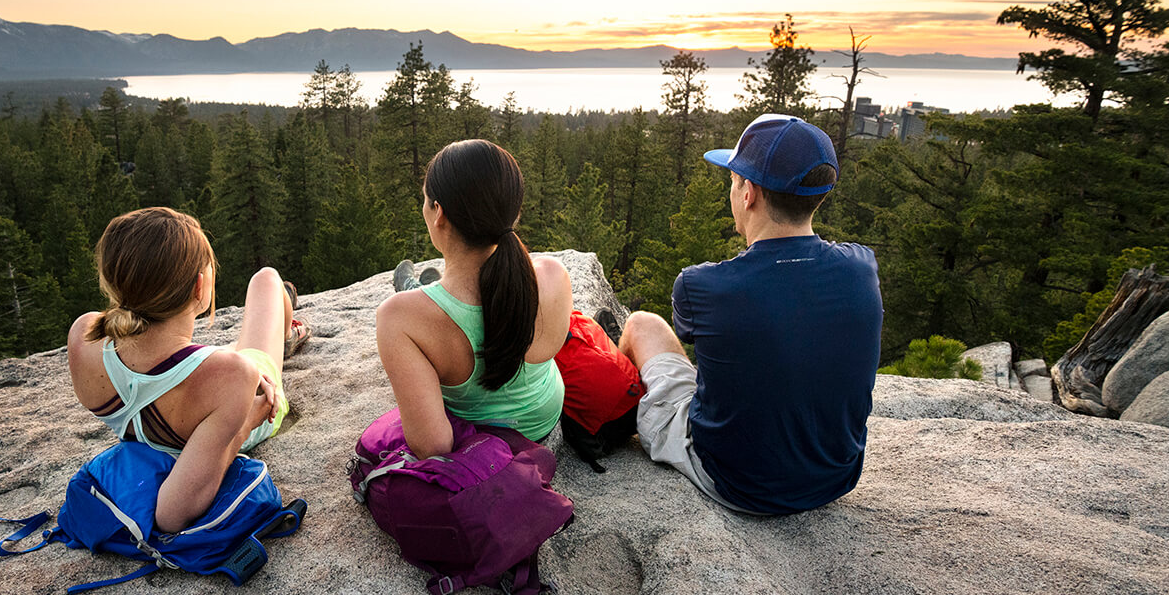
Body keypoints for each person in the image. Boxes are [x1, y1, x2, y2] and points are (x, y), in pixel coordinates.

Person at [619, 114, 883, 515]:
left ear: (749, 193)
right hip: (835, 477)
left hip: (736, 483)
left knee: (643, 324)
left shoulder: (701, 285)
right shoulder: (862, 267)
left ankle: (611, 425)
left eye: (733, 180)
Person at [67, 207, 309, 534]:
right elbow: (172, 515)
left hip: (178, 400)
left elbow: (156, 370)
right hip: (229, 406)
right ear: (200, 287)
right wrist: (250, 417)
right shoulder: (233, 374)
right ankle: (287, 328)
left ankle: (283, 320)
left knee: (224, 359)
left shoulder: (84, 337)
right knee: (266, 280)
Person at [377, 139, 573, 459]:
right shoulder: (552, 275)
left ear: (438, 212)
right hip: (543, 419)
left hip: (480, 444)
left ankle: (417, 286)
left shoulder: (398, 318)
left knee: (417, 302)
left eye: (425, 201)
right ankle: (421, 284)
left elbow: (433, 446)